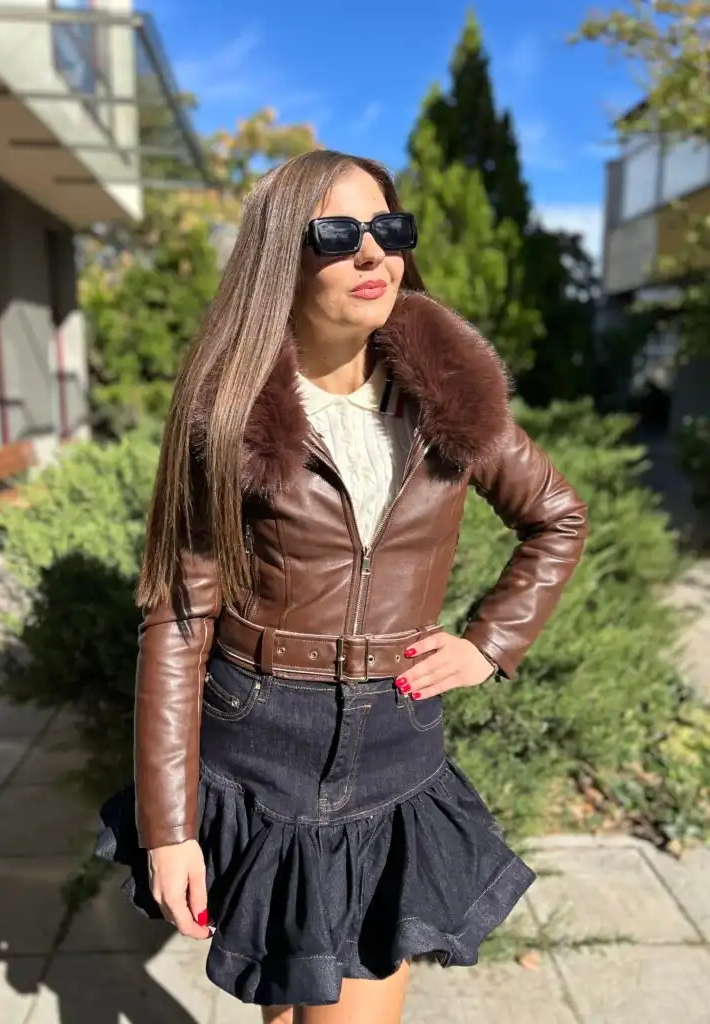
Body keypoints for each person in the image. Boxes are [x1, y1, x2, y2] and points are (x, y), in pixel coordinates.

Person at [95, 150, 589, 1024]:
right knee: (284, 1008)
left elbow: (557, 518)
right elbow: (180, 617)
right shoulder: (229, 409)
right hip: (256, 742)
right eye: (336, 233)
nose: (373, 254)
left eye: (388, 229)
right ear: (279, 257)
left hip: (392, 750)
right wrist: (168, 829)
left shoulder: (451, 395)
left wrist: (489, 644)